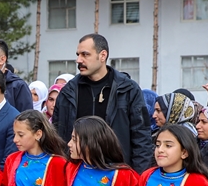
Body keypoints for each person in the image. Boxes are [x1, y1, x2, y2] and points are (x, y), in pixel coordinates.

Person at [52, 33, 153, 172]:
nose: (78, 60)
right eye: (77, 54)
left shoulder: (129, 90)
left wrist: (137, 178)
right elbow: (57, 137)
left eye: (85, 54)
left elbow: (142, 138)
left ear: (102, 55)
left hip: (117, 174)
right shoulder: (68, 92)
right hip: (77, 175)